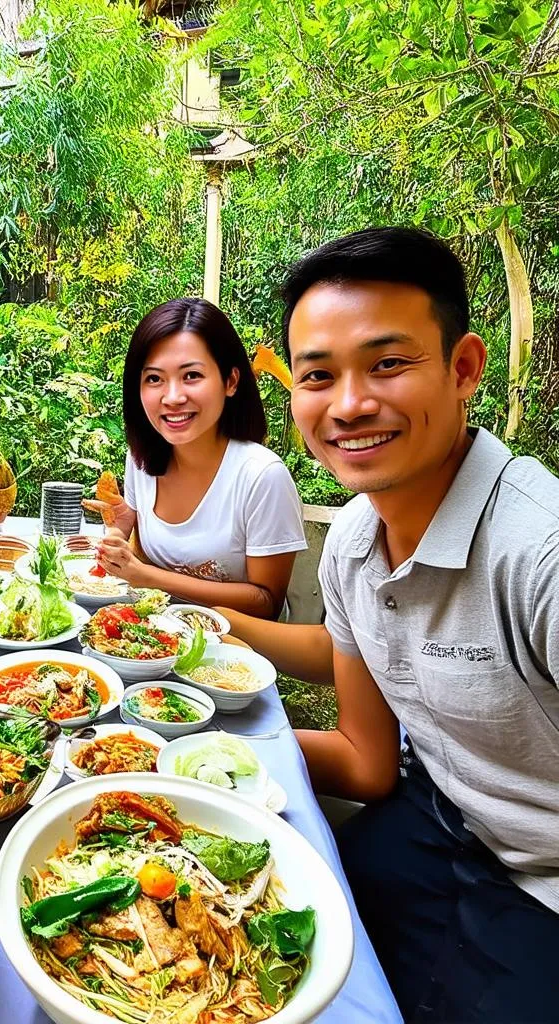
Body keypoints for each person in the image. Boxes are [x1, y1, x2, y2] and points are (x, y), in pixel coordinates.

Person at [220, 227, 559, 1022]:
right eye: (318, 376)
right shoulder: (352, 542)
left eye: (388, 364)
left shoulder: (538, 552)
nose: (349, 404)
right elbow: (369, 764)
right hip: (430, 822)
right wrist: (191, 747)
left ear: (464, 367)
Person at [85, 297, 306, 618]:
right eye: (154, 379)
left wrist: (148, 577)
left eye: (191, 376)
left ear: (230, 381)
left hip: (234, 654)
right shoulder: (141, 458)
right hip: (151, 633)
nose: (172, 397)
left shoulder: (261, 476)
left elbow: (266, 603)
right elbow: (128, 527)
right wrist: (118, 532)